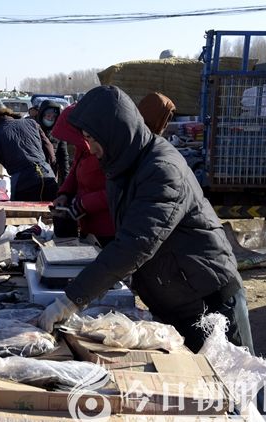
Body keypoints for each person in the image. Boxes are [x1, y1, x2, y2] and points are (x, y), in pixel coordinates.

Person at [39, 86, 254, 355]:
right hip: (172, 295)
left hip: (207, 299)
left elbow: (135, 243)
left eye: (92, 139)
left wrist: (71, 300)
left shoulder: (161, 169)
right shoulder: (121, 164)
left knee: (229, 376)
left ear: (112, 132)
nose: (89, 148)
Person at [0, 98, 58, 202]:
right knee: (51, 212)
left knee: (24, 213)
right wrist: (50, 172)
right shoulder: (32, 123)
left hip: (24, 185)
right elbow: (50, 151)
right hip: (48, 178)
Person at [50, 104, 115, 245]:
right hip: (86, 224)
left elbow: (114, 191)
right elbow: (74, 173)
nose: (71, 143)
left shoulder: (105, 151)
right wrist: (64, 194)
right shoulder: (82, 148)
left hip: (107, 229)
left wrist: (83, 203)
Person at [37, 100, 69, 184]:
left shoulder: (59, 132)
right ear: (42, 115)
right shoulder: (33, 129)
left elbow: (63, 157)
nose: (50, 119)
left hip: (51, 173)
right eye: (48, 116)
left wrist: (66, 180)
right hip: (35, 174)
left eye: (53, 117)